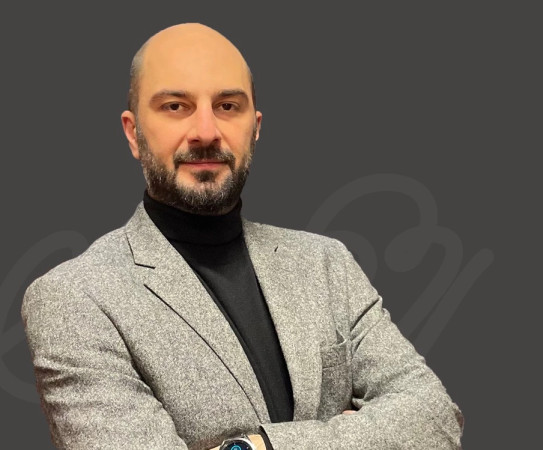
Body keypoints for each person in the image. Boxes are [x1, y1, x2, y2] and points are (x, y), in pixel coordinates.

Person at [22, 23, 464, 449]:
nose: (205, 132)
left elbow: (436, 419)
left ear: (255, 128)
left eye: (228, 106)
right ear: (133, 132)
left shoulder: (328, 263)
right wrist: (357, 434)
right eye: (175, 106)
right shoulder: (74, 299)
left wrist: (255, 446)